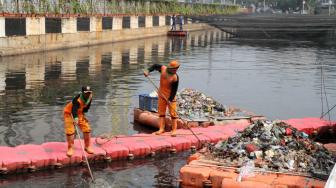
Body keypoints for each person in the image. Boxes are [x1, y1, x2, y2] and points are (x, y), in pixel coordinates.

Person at [144, 60, 180, 137]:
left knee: (173, 114)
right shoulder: (163, 69)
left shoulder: (175, 77)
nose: (175, 70)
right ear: (170, 68)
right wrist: (148, 71)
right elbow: (154, 66)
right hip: (161, 95)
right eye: (173, 69)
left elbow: (174, 90)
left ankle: (174, 130)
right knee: (161, 113)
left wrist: (170, 99)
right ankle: (161, 128)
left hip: (170, 97)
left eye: (176, 69)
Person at [63, 86, 94, 157]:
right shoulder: (77, 99)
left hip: (79, 113)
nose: (88, 94)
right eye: (86, 93)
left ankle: (87, 146)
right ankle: (70, 148)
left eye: (89, 92)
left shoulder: (90, 97)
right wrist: (75, 119)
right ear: (83, 93)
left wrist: (83, 115)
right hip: (69, 113)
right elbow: (74, 110)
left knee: (87, 128)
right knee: (70, 130)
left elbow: (86, 107)